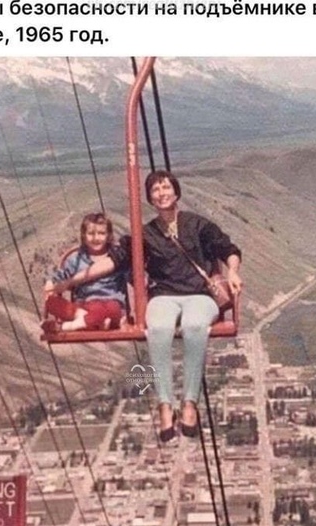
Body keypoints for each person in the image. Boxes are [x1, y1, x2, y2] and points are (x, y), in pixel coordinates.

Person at [51, 171, 242, 440]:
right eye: (155, 190)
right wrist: (70, 282)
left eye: (166, 187)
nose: (162, 193)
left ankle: (190, 402)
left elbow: (228, 249)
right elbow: (113, 261)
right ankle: (165, 404)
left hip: (200, 295)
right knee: (158, 328)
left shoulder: (198, 225)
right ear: (150, 198)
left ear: (176, 192)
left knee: (194, 326)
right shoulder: (146, 234)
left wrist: (232, 272)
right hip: (164, 295)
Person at [42, 213, 127, 332]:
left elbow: (135, 277)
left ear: (108, 236)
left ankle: (68, 326)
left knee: (109, 309)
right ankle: (94, 322)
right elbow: (61, 275)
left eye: (101, 233)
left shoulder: (117, 258)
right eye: (91, 234)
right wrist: (51, 281)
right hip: (84, 305)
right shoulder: (76, 259)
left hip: (110, 303)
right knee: (51, 302)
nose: (96, 238)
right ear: (84, 235)